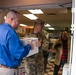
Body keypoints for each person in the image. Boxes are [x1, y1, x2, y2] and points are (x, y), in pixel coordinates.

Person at [0, 10, 40, 75]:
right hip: (8, 70)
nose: (19, 23)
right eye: (18, 21)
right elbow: (18, 54)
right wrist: (29, 46)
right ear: (11, 19)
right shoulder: (11, 32)